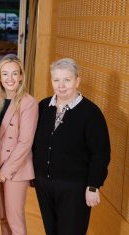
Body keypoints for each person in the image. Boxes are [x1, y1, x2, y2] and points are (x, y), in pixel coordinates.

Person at [32, 58, 110, 235]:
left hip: (74, 188)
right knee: (51, 231)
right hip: (44, 183)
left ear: (77, 81)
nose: (61, 85)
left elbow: (100, 154)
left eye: (67, 80)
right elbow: (34, 143)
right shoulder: (43, 106)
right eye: (56, 80)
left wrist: (93, 186)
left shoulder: (91, 113)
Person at [0, 54, 39, 235]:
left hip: (15, 170)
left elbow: (25, 142)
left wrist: (5, 171)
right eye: (5, 74)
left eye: (14, 74)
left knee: (14, 219)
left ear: (20, 76)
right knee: (2, 217)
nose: (9, 79)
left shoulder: (29, 102)